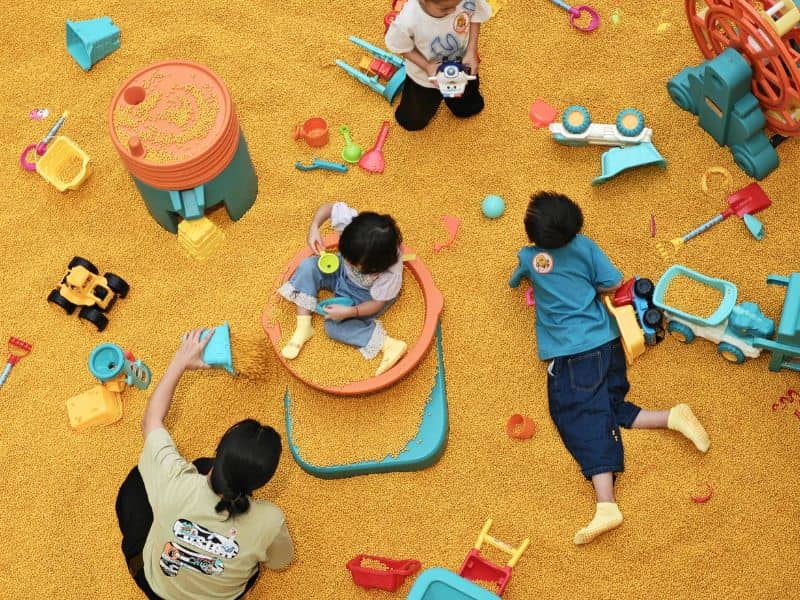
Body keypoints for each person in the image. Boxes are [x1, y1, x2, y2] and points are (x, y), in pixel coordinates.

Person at [510, 192, 711, 545]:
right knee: (608, 407)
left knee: (578, 415)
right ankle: (671, 416)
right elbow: (613, 281)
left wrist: (518, 280)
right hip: (606, 346)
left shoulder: (529, 258)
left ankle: (607, 504)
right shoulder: (585, 246)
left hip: (573, 356)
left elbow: (517, 278)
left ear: (533, 236)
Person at [115, 330, 294, 599]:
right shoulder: (270, 519)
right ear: (263, 482)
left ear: (218, 450)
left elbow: (151, 420)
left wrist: (180, 362)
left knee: (134, 486)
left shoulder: (175, 482)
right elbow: (281, 561)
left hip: (157, 586)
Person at [278, 202, 407, 376]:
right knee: (308, 266)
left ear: (376, 268)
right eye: (344, 254)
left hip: (366, 295)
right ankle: (303, 326)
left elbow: (377, 304)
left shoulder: (390, 275)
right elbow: (328, 208)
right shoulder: (353, 225)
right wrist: (314, 227)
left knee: (334, 327)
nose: (346, 260)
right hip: (339, 273)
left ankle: (389, 344)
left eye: (352, 262)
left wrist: (351, 311)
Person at [385, 0, 492, 131]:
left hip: (463, 66)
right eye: (445, 9)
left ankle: (465, 107)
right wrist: (426, 66)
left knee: (467, 105)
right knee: (413, 118)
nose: (453, 11)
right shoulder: (408, 19)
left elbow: (475, 14)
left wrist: (471, 50)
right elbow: (399, 46)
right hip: (424, 78)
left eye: (457, 5)